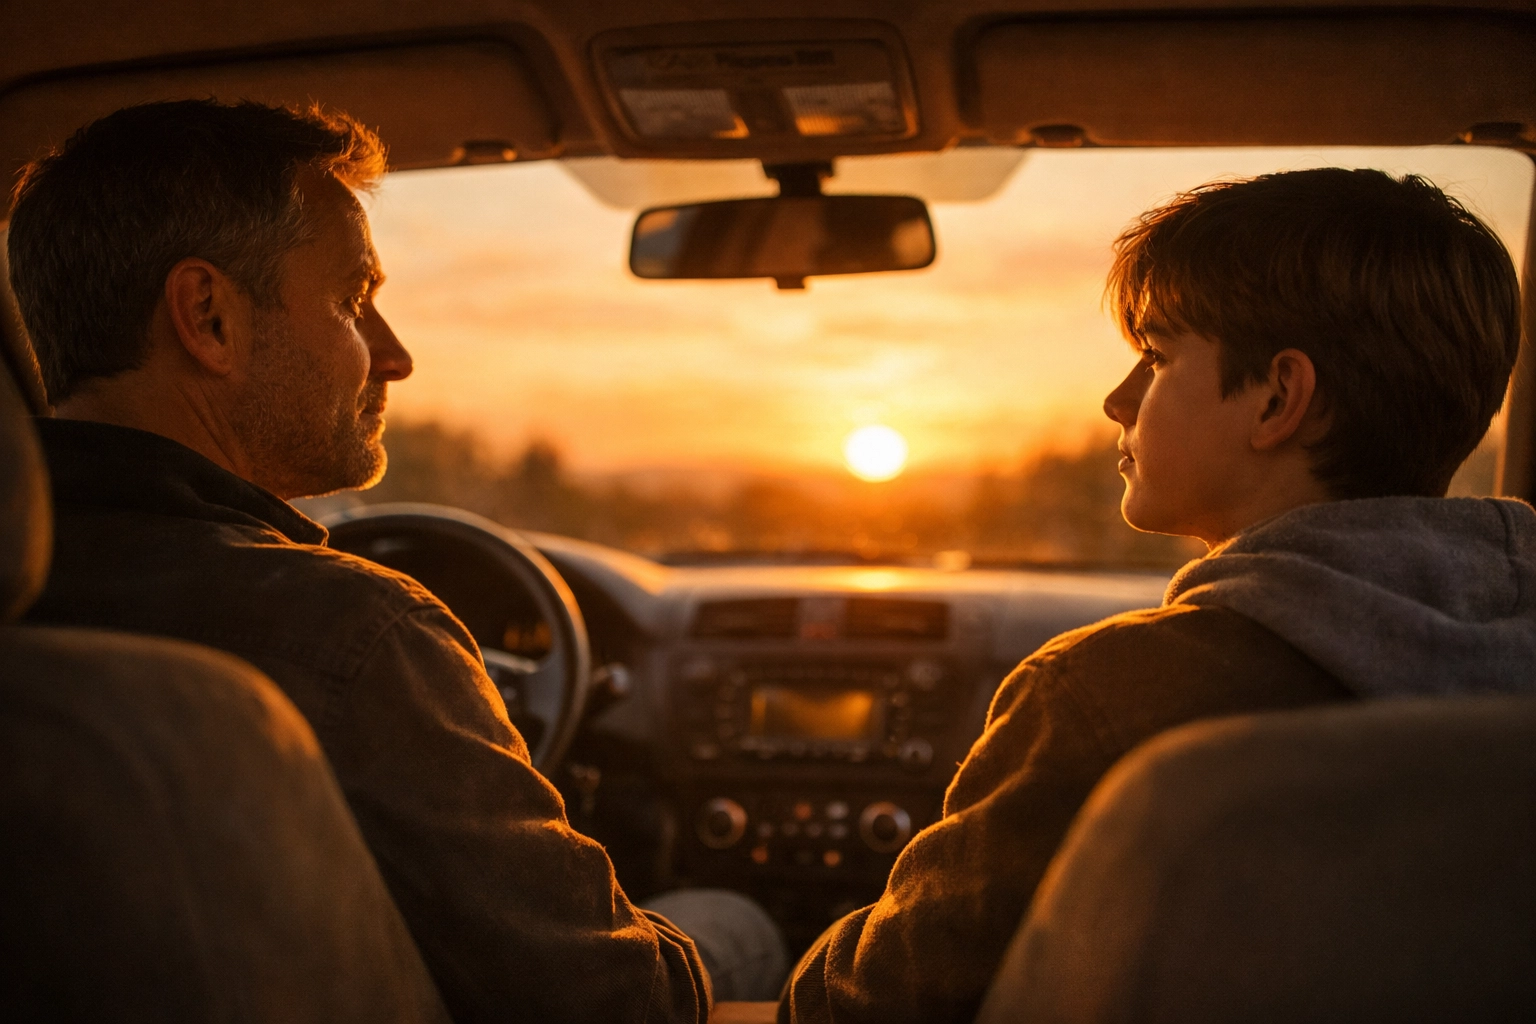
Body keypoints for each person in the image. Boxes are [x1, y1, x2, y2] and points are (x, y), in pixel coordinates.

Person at [9, 99, 784, 1022]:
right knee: (732, 925)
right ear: (208, 317)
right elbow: (621, 1003)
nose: (396, 354)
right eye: (353, 300)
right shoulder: (360, 638)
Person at [779, 167, 1536, 1024]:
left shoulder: (1108, 696)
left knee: (724, 930)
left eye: (1158, 355)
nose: (1118, 400)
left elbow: (873, 1006)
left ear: (1279, 397)